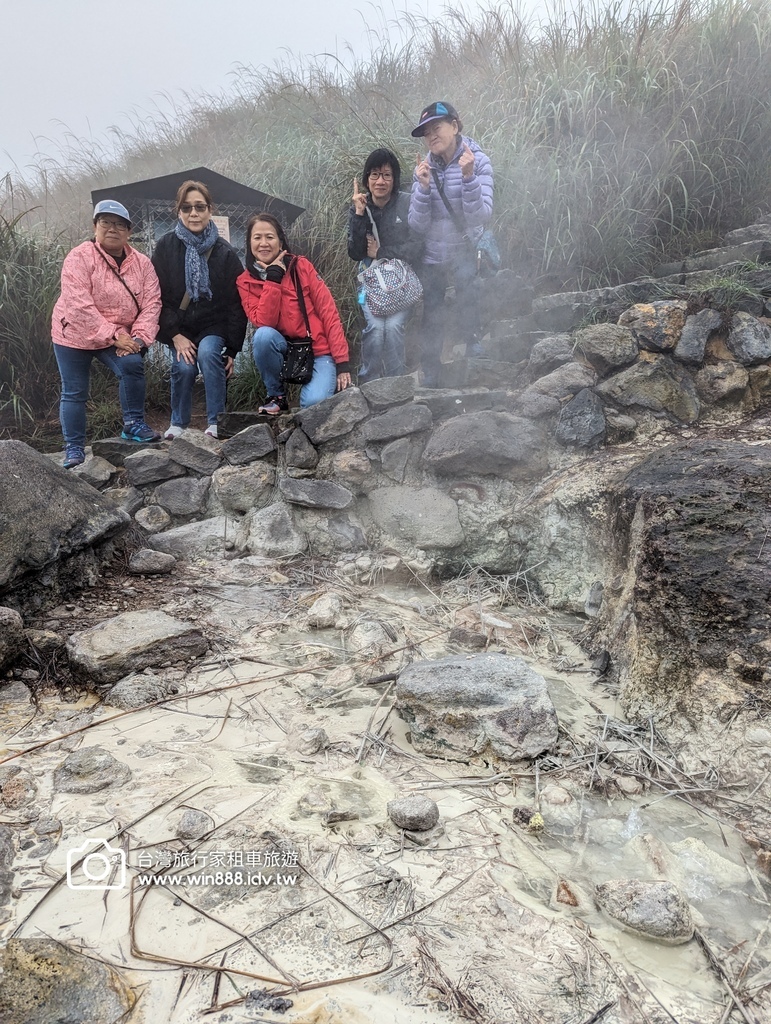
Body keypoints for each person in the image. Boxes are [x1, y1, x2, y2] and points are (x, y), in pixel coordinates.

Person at [51, 199, 162, 469]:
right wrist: (114, 335)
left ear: (129, 231)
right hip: (73, 334)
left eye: (120, 225)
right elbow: (78, 304)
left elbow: (152, 303)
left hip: (120, 336)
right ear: (95, 226)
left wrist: (137, 339)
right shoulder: (79, 257)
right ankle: (74, 447)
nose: (113, 229)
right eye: (106, 223)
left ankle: (134, 424)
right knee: (75, 391)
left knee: (131, 364)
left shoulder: (142, 264)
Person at [151, 180, 246, 439]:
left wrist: (234, 350)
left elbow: (236, 304)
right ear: (178, 211)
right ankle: (178, 423)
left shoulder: (225, 253)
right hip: (179, 326)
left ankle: (216, 421)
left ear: (210, 209)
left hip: (212, 326)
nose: (193, 213)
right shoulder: (165, 247)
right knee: (183, 367)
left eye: (199, 207)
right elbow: (155, 296)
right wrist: (174, 335)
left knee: (207, 354)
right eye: (187, 208)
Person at [408, 101, 493, 387]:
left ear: (455, 126)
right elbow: (417, 225)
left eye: (437, 127)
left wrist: (468, 177)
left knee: (467, 288)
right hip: (433, 250)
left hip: (464, 245)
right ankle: (431, 367)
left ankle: (473, 344)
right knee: (432, 307)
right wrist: (422, 188)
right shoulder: (423, 169)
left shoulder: (477, 160)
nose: (431, 135)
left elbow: (481, 214)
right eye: (426, 132)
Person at [237, 212, 351, 414]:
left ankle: (321, 385)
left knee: (313, 405)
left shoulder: (301, 266)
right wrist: (273, 279)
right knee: (263, 336)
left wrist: (342, 362)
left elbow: (329, 312)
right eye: (257, 237)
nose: (264, 243)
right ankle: (277, 396)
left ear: (281, 242)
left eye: (269, 237)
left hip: (317, 350)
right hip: (283, 349)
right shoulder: (245, 281)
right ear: (249, 243)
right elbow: (264, 322)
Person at [348, 148, 417, 382]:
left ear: (395, 179)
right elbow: (355, 252)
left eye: (387, 175)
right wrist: (358, 214)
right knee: (376, 329)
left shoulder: (406, 203)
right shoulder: (360, 208)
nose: (381, 181)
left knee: (394, 327)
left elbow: (417, 246)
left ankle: (397, 383)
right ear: (367, 178)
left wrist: (381, 252)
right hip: (370, 283)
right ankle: (369, 382)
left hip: (401, 282)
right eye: (375, 174)